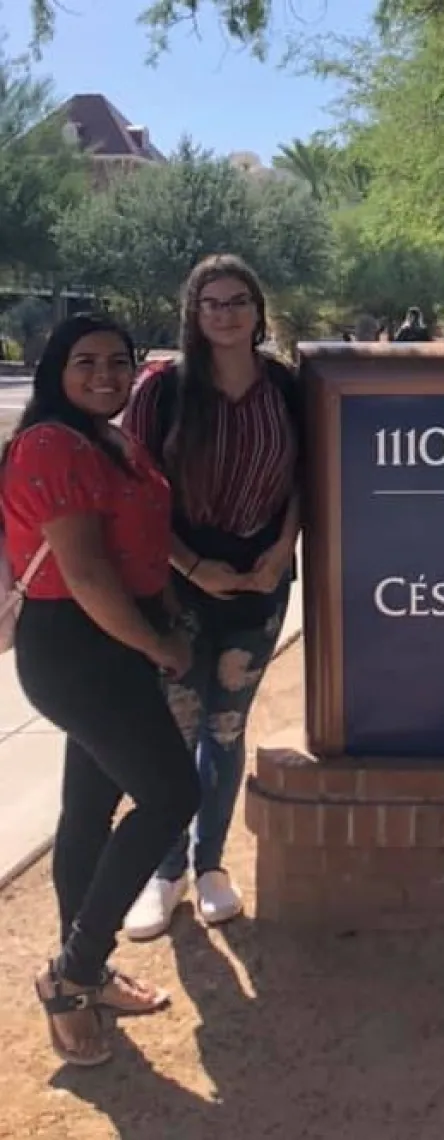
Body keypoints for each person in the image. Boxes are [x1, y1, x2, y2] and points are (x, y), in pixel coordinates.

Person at [1, 315, 199, 1066]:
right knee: (170, 795)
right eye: (86, 362)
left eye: (118, 361)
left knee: (87, 807)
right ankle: (74, 972)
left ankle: (81, 967)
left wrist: (165, 613)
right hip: (80, 647)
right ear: (56, 368)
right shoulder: (51, 444)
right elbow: (84, 573)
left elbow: (139, 541)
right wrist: (158, 644)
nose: (106, 374)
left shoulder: (109, 438)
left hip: (113, 642)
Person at [121, 254, 303, 940]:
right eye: (211, 303)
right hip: (177, 586)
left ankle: (210, 867)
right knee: (177, 729)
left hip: (259, 584)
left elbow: (304, 480)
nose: (225, 313)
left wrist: (283, 551)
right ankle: (164, 872)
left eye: (237, 301)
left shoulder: (285, 388)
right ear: (193, 314)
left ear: (258, 311)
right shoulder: (162, 390)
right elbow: (133, 493)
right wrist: (192, 566)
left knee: (226, 731)